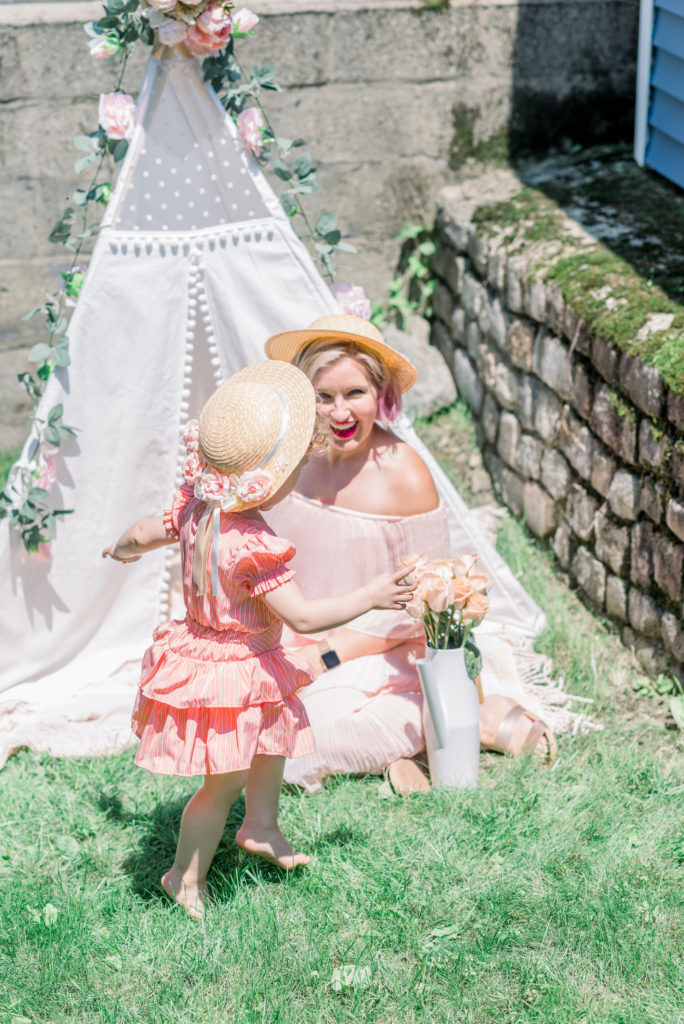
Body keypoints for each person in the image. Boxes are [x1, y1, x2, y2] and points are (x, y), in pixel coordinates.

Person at [102, 360, 414, 919]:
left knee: (271, 741)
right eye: (294, 469)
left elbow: (146, 532)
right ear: (270, 477)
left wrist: (122, 548)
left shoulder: (198, 506)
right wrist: (371, 595)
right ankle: (184, 876)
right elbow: (306, 616)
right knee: (221, 784)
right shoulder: (252, 544)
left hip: (230, 657)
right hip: (231, 669)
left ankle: (262, 826)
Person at [264, 314, 556, 796]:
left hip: (380, 646)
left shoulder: (405, 473)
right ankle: (409, 745)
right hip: (299, 633)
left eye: (355, 394)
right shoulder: (296, 457)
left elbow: (424, 599)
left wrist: (328, 655)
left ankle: (481, 717)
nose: (340, 413)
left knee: (303, 737)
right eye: (324, 396)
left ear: (381, 395)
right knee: (248, 715)